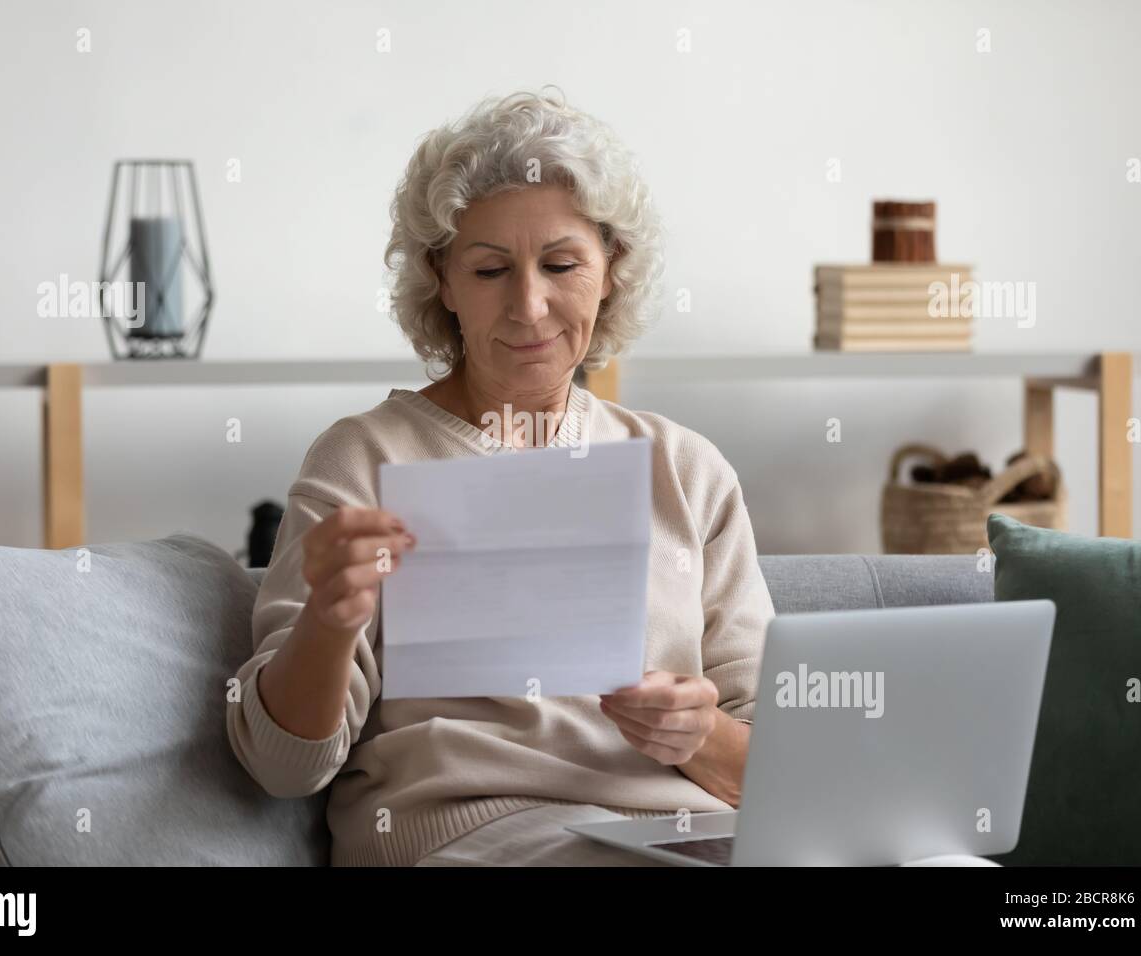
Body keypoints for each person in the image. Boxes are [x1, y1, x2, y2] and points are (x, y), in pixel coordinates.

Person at [226, 87, 775, 866]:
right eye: (489, 270)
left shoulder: (686, 471)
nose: (529, 305)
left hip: (683, 838)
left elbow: (776, 771)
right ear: (442, 281)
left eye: (561, 264)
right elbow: (283, 769)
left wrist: (700, 733)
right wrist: (329, 618)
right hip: (469, 836)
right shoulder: (366, 458)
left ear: (610, 270)